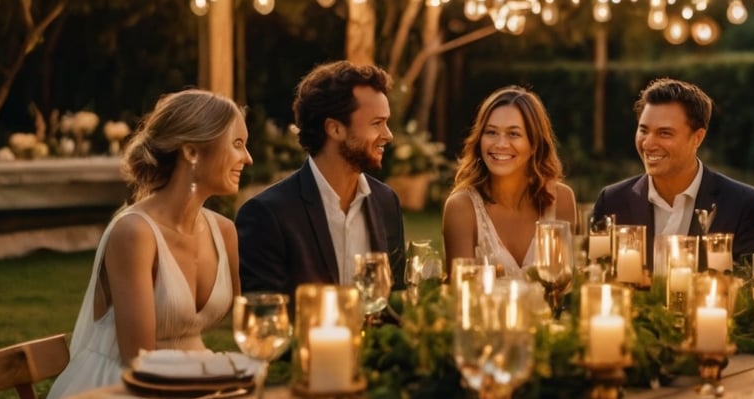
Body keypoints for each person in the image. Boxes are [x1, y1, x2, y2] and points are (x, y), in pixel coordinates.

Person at [48, 89, 251, 397]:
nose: (247, 158)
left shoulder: (224, 232)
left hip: (195, 383)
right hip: (120, 386)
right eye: (237, 144)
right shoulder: (134, 233)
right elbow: (139, 361)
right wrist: (224, 372)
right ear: (191, 151)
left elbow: (254, 318)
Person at [236, 60, 405, 297]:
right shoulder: (267, 215)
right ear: (334, 129)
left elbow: (395, 300)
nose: (388, 135)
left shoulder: (386, 202)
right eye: (377, 123)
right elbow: (266, 313)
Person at [591, 78, 754, 272]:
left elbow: (749, 284)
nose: (648, 143)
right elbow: (596, 276)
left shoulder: (740, 204)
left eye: (664, 133)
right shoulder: (612, 201)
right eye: (643, 130)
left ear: (697, 138)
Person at [442, 86, 578, 280]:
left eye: (513, 134)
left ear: (534, 144)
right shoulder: (462, 208)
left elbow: (567, 286)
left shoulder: (561, 201)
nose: (500, 144)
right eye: (491, 132)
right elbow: (460, 291)